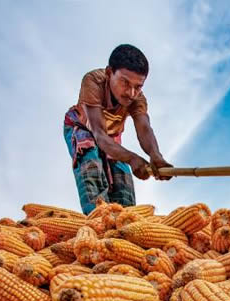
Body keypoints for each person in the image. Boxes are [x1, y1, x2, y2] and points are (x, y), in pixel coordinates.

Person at [63, 44, 172, 213]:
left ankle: (121, 229)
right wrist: (133, 158)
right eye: (125, 83)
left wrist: (155, 155)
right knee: (92, 163)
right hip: (84, 128)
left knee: (122, 184)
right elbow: (98, 135)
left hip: (112, 137)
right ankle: (97, 218)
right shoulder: (93, 81)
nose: (131, 92)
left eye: (138, 86)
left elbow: (144, 128)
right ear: (109, 73)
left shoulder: (137, 98)